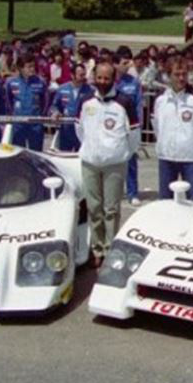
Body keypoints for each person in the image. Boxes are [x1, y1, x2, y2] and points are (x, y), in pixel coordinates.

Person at [75, 62, 140, 267]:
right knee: (94, 208)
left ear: (114, 79)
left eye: (107, 78)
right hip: (90, 162)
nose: (102, 82)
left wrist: (121, 153)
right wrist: (92, 148)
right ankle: (97, 248)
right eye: (99, 78)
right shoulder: (85, 100)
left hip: (114, 163)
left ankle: (111, 248)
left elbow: (135, 136)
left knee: (111, 209)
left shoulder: (124, 102)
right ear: (94, 77)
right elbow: (80, 130)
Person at [153, 57, 193, 200]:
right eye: (176, 74)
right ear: (168, 76)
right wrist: (163, 144)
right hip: (166, 157)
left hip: (190, 158)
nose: (181, 78)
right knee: (165, 201)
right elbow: (156, 126)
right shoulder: (160, 99)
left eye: (184, 74)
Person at [114, 56, 145, 205]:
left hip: (130, 126)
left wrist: (137, 124)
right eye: (124, 63)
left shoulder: (133, 82)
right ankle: (114, 191)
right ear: (115, 64)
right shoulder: (109, 81)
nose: (128, 65)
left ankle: (132, 192)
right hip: (113, 128)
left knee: (131, 159)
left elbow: (139, 104)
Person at [3, 53, 49, 151]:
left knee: (36, 154)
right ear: (20, 68)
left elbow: (45, 102)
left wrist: (41, 117)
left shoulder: (41, 82)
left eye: (33, 66)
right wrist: (13, 116)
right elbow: (8, 102)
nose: (32, 69)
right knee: (18, 153)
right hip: (18, 124)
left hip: (35, 124)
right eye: (29, 67)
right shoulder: (11, 82)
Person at [49, 62, 93, 152]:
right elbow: (54, 106)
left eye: (84, 74)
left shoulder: (90, 90)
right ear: (72, 75)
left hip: (82, 131)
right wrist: (55, 112)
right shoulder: (62, 89)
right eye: (80, 75)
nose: (83, 77)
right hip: (66, 130)